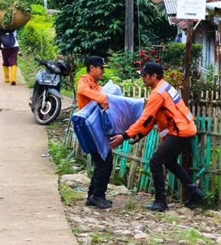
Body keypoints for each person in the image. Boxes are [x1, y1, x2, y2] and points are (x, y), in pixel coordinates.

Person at [110, 62, 205, 212]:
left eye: (144, 75)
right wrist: (140, 134)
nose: (143, 78)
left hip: (179, 131)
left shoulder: (157, 94)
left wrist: (125, 135)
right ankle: (194, 192)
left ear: (153, 76)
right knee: (169, 162)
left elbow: (145, 118)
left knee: (155, 162)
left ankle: (161, 201)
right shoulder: (165, 87)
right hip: (186, 128)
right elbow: (152, 119)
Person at [77, 56, 113, 209]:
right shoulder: (84, 81)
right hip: (90, 129)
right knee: (104, 161)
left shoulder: (97, 85)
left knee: (102, 161)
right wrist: (103, 98)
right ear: (92, 68)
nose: (103, 71)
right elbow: (82, 91)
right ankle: (97, 196)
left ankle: (94, 194)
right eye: (101, 68)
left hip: (98, 128)